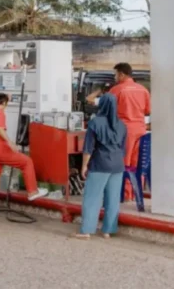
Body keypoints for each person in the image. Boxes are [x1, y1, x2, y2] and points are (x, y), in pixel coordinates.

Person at [88, 63, 150, 201]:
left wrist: (99, 91)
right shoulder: (143, 90)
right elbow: (147, 110)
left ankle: (124, 194)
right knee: (137, 164)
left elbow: (100, 104)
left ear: (121, 74)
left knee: (123, 163)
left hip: (124, 131)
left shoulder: (117, 90)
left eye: (115, 74)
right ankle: (135, 194)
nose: (115, 77)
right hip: (141, 130)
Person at [0, 93, 48, 217]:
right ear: (4, 103)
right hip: (0, 150)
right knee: (26, 162)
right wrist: (10, 142)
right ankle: (32, 192)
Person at [73, 94, 127, 240]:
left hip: (100, 164)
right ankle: (107, 231)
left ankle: (86, 230)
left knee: (92, 197)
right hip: (118, 165)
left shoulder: (94, 123)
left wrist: (84, 166)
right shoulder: (122, 125)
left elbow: (88, 148)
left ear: (101, 105)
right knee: (113, 199)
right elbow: (123, 149)